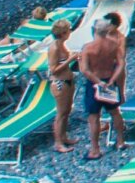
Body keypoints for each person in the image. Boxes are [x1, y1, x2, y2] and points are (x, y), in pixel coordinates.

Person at [80, 11, 128, 158]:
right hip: (109, 80)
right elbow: (121, 63)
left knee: (94, 117)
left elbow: (85, 70)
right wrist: (113, 79)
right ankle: (120, 141)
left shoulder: (88, 48)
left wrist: (98, 82)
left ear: (95, 30)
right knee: (115, 112)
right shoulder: (113, 45)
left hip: (95, 83)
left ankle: (95, 149)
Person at [45, 17, 78, 154]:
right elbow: (53, 69)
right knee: (61, 114)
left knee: (66, 111)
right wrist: (70, 59)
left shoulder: (61, 44)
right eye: (68, 30)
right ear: (63, 32)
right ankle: (58, 142)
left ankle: (63, 137)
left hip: (67, 80)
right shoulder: (54, 48)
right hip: (60, 82)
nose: (70, 32)